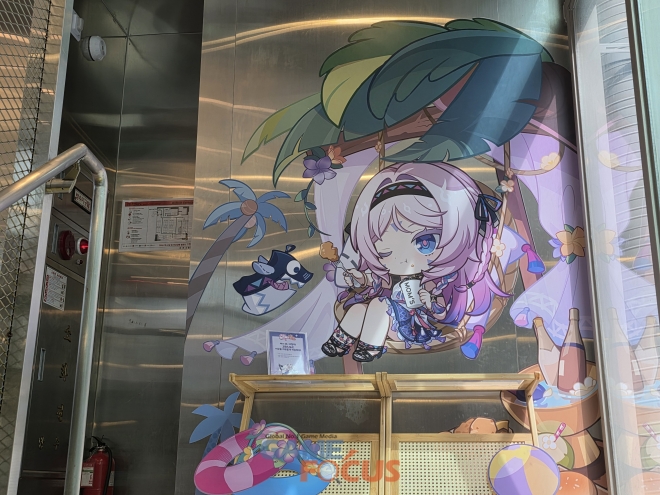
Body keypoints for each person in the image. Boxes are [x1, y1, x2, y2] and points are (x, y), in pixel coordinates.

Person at [321, 162, 506, 362]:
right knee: (360, 308)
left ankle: (371, 346)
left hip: (413, 324)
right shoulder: (392, 275)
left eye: (425, 242)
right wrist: (362, 278)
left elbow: (443, 310)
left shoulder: (439, 280)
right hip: (385, 316)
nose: (402, 259)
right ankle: (339, 342)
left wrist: (429, 301)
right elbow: (378, 283)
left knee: (379, 305)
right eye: (385, 251)